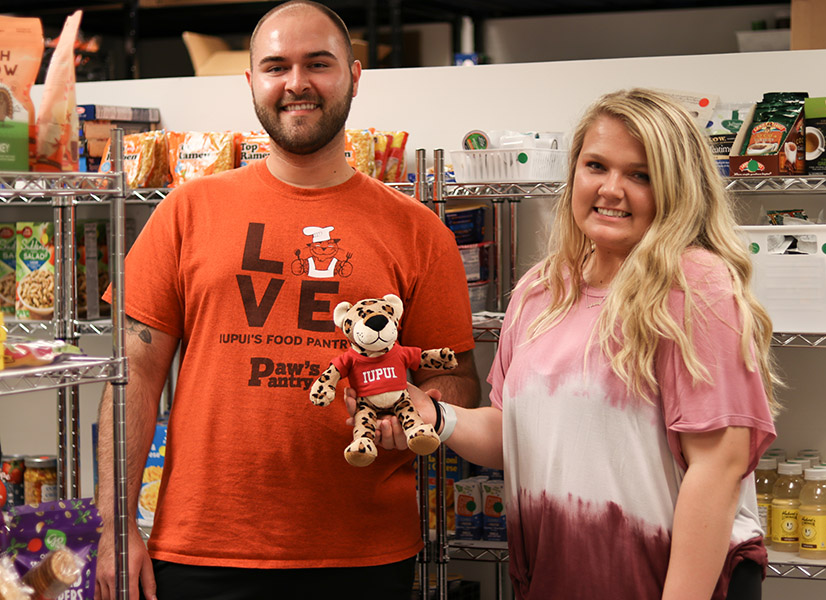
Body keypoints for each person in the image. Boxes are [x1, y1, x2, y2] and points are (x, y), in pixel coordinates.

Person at [93, 2, 480, 599]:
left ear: (353, 76)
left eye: (317, 64)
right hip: (204, 549)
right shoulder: (186, 212)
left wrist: (419, 409)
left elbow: (456, 381)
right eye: (276, 66)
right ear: (251, 83)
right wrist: (115, 526)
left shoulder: (419, 231)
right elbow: (134, 377)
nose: (296, 82)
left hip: (364, 555)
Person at [402, 88, 780, 599]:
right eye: (596, 166)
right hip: (564, 572)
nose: (611, 189)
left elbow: (720, 466)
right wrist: (435, 417)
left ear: (677, 187)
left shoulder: (696, 287)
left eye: (640, 174)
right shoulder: (543, 288)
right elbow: (514, 433)